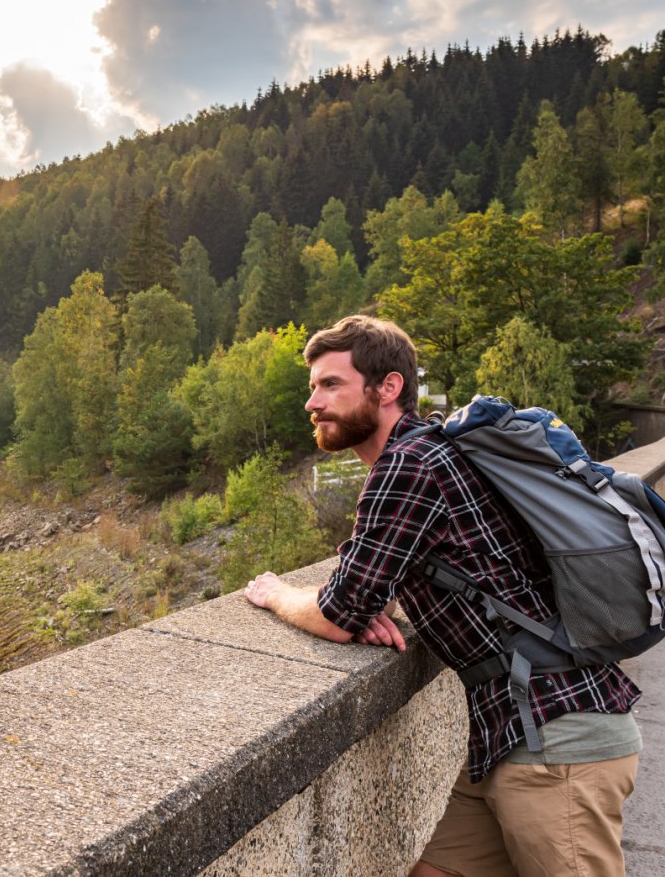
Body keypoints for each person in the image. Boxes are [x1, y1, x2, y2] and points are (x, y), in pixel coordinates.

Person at [243, 315, 641, 877]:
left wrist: (277, 593)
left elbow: (336, 613)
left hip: (556, 740)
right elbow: (380, 582)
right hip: (507, 733)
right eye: (313, 386)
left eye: (330, 384)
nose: (313, 402)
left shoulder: (409, 465)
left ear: (388, 388)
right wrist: (374, 601)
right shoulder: (435, 451)